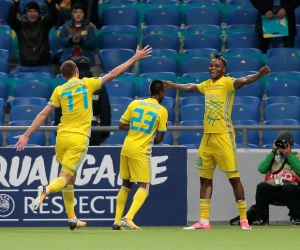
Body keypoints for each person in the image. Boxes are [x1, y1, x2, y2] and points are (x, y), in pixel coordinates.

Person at [13, 45, 152, 230]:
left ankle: (72, 218)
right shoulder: (87, 83)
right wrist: (134, 59)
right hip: (78, 138)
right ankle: (46, 189)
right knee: (64, 176)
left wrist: (26, 134)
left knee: (71, 177)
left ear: (63, 76)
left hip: (61, 137)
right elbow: (113, 74)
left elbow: (43, 114)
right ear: (77, 72)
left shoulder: (59, 90)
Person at [164, 55, 270, 230]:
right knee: (204, 179)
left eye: (216, 66)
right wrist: (175, 86)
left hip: (224, 137)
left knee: (234, 179)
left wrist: (258, 75)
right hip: (207, 138)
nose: (212, 68)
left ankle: (244, 218)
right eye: (211, 65)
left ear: (223, 69)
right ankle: (204, 220)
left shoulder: (228, 83)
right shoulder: (207, 85)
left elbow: (245, 80)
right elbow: (191, 87)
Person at [113, 80, 168, 231]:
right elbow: (160, 138)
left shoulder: (135, 103)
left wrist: (137, 130)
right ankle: (128, 217)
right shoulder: (161, 110)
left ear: (150, 90)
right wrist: (147, 136)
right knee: (144, 186)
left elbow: (121, 125)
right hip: (141, 151)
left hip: (126, 147)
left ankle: (117, 222)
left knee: (126, 185)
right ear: (161, 92)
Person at [253, 131, 300, 226]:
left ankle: (296, 216)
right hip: (273, 189)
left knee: (288, 187)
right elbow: (261, 169)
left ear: (290, 145)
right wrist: (273, 152)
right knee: (261, 186)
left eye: (285, 144)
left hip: (291, 191)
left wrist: (289, 156)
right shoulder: (273, 157)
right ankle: (261, 218)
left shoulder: (297, 156)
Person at [7, 0, 58, 77]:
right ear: (25, 13)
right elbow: (10, 19)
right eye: (30, 11)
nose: (33, 14)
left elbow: (54, 16)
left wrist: (50, 3)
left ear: (38, 13)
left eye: (35, 11)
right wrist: (16, 3)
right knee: (10, 78)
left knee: (51, 78)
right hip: (24, 66)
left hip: (43, 66)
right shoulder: (19, 26)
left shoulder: (44, 24)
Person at [58, 3, 97, 78]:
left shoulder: (89, 27)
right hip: (69, 59)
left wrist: (81, 41)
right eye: (76, 12)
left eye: (81, 12)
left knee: (83, 75)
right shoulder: (66, 26)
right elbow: (60, 41)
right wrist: (70, 40)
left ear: (84, 14)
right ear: (72, 14)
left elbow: (93, 43)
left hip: (84, 60)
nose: (78, 14)